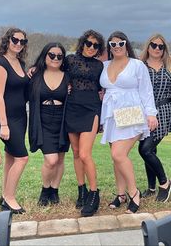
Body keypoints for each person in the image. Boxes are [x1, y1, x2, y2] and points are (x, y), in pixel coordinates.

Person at [100, 31, 158, 214]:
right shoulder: (104, 65)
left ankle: (134, 193)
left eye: (120, 43)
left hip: (131, 112)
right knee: (115, 156)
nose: (117, 47)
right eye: (113, 44)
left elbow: (146, 91)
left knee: (119, 154)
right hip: (111, 114)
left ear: (127, 45)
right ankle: (120, 194)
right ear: (109, 47)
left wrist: (151, 114)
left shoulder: (137, 65)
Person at [64, 29, 105, 217]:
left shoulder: (100, 66)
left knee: (86, 153)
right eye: (89, 43)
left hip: (91, 109)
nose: (91, 47)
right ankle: (81, 191)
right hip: (72, 108)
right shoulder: (70, 60)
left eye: (96, 45)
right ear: (82, 43)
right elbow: (52, 68)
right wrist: (33, 69)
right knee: (76, 153)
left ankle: (94, 193)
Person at [28, 43, 70, 206]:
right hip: (43, 120)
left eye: (59, 56)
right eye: (52, 55)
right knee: (51, 160)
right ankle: (45, 189)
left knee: (60, 159)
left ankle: (54, 190)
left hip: (62, 121)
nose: (55, 58)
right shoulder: (35, 75)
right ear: (45, 56)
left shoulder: (68, 77)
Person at [0, 27, 29, 214]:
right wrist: (3, 124)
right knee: (22, 157)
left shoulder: (20, 63)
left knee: (10, 156)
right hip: (6, 119)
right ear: (7, 41)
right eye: (15, 40)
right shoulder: (1, 64)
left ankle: (4, 195)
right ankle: (9, 198)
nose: (18, 44)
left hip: (20, 116)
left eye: (22, 41)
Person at [139, 34, 171, 202]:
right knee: (150, 150)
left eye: (161, 46)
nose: (157, 49)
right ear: (148, 46)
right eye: (154, 45)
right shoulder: (140, 66)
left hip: (164, 110)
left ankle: (165, 182)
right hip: (145, 112)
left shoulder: (170, 64)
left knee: (145, 149)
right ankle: (151, 187)